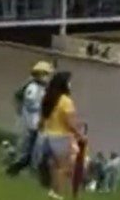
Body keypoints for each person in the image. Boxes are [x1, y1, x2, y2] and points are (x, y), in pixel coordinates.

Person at [39, 71, 85, 200]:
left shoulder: (48, 97)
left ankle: (53, 191)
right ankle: (58, 193)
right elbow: (70, 122)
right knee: (63, 168)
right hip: (61, 137)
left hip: (48, 136)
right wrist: (80, 135)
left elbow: (43, 118)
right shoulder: (66, 101)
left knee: (54, 166)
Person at [7, 61, 53, 175]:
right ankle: (18, 166)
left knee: (37, 146)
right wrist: (19, 109)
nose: (47, 77)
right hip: (28, 120)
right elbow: (17, 96)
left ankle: (32, 168)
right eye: (45, 74)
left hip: (40, 122)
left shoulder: (48, 88)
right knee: (24, 144)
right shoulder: (29, 85)